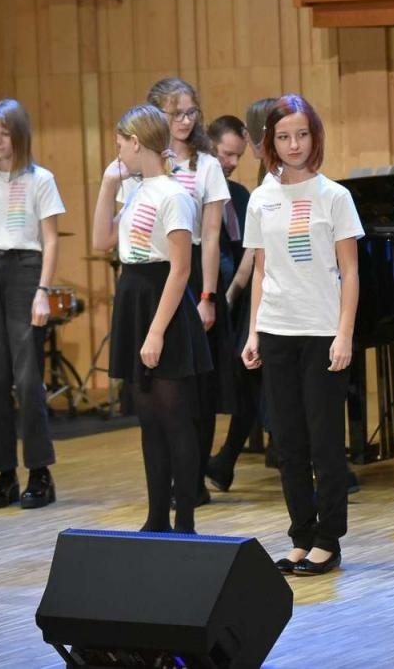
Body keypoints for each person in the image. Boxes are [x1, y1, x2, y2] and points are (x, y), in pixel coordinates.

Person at [242, 96, 363, 577]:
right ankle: (300, 535)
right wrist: (252, 331)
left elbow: (350, 272)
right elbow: (259, 272)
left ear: (315, 138)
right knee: (288, 442)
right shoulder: (260, 198)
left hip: (321, 332)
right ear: (271, 142)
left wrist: (344, 334)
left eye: (302, 135)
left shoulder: (335, 196)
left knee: (324, 441)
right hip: (276, 330)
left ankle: (328, 540)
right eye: (284, 137)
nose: (294, 145)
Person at [92, 105, 208, 533]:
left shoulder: (173, 194)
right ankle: (157, 514)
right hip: (133, 295)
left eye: (120, 143)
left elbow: (180, 269)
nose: (118, 150)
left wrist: (157, 332)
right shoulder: (135, 189)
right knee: (149, 419)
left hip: (164, 304)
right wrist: (108, 183)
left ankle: (186, 520)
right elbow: (102, 239)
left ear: (136, 142)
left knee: (175, 416)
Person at [0, 99, 66, 510]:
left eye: (5, 132)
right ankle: (4, 473)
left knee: (26, 378)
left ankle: (39, 472)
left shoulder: (41, 179)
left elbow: (51, 239)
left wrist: (43, 290)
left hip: (25, 270)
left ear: (19, 135)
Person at [147, 77, 231, 500]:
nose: (184, 120)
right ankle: (164, 478)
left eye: (190, 112)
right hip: (155, 272)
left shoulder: (207, 164)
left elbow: (212, 235)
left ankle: (193, 478)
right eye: (174, 113)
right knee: (160, 386)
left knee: (198, 384)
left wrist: (208, 296)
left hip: (195, 273)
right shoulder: (143, 163)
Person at [208, 114, 262, 492]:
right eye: (226, 154)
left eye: (237, 157)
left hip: (237, 302)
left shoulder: (241, 197)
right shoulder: (195, 190)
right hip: (209, 301)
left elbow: (248, 257)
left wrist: (231, 298)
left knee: (248, 382)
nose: (231, 163)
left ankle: (225, 459)